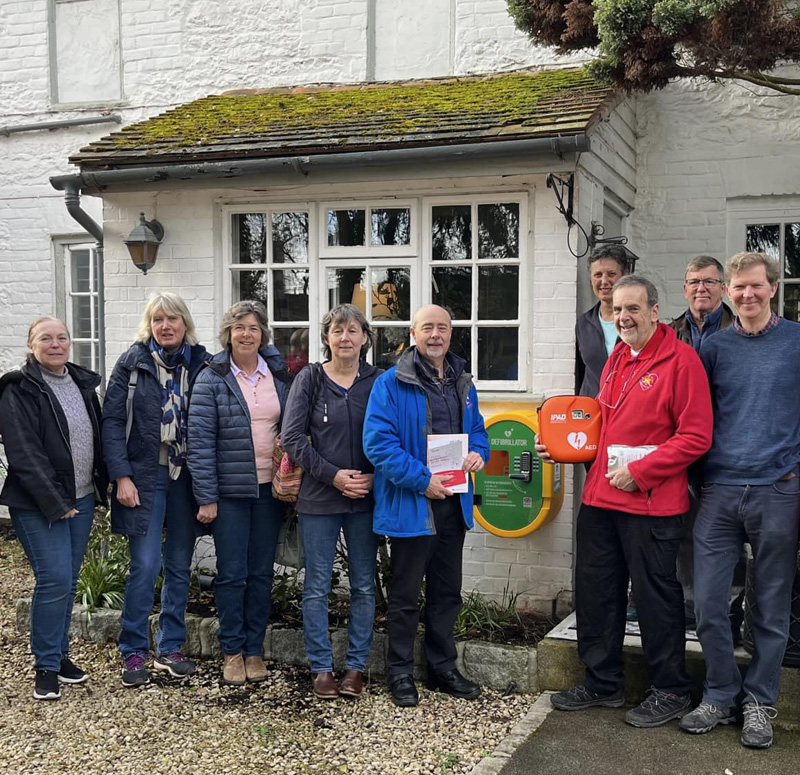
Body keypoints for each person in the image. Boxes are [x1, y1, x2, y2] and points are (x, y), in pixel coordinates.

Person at [539, 275, 713, 728]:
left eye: (633, 308)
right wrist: (562, 444)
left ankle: (671, 689)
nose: (624, 317)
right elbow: (600, 425)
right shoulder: (618, 355)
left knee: (655, 598)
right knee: (597, 593)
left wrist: (640, 472)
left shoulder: (682, 361)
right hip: (601, 496)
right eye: (618, 310)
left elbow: (696, 437)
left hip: (651, 503)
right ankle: (603, 682)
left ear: (655, 311)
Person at [679, 253, 800, 749]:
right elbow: (692, 414)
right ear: (728, 293)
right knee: (707, 603)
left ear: (773, 288)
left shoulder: (796, 342)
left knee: (770, 608)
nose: (746, 294)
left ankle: (759, 702)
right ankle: (721, 692)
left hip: (779, 488)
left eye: (755, 286)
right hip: (720, 490)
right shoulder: (715, 347)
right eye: (738, 287)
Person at [363, 304, 489, 708]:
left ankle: (442, 668)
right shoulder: (389, 383)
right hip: (413, 503)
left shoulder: (463, 381)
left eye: (443, 328)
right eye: (428, 328)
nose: (436, 335)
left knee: (446, 592)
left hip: (454, 504)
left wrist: (478, 456)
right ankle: (399, 672)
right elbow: (378, 445)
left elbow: (478, 433)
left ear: (451, 334)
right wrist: (422, 481)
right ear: (413, 333)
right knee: (404, 596)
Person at [103, 293, 208, 687]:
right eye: (158, 319)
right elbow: (112, 422)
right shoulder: (132, 363)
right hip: (143, 477)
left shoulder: (202, 363)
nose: (166, 326)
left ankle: (170, 647)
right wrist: (121, 477)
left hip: (187, 478)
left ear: (185, 323)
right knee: (145, 565)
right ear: (150, 324)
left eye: (173, 319)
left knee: (180, 565)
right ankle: (133, 650)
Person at [0, 317, 107, 700]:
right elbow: (23, 452)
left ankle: (59, 656)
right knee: (55, 579)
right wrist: (55, 502)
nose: (56, 343)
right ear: (32, 346)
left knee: (68, 581)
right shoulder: (19, 389)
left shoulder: (82, 383)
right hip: (38, 503)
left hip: (80, 497)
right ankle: (45, 665)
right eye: (46, 338)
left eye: (62, 337)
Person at [188, 300, 292, 685]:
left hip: (271, 491)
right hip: (229, 494)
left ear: (263, 334)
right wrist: (206, 496)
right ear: (228, 334)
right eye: (238, 327)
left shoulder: (278, 376)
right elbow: (199, 442)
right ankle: (232, 651)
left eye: (253, 327)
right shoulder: (212, 377)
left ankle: (254, 649)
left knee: (262, 573)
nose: (246, 334)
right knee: (232, 574)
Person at [281, 304, 382, 700]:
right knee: (317, 587)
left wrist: (377, 478)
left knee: (363, 587)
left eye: (353, 330)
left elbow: (395, 435)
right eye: (337, 331)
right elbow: (292, 438)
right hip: (320, 499)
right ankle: (321, 667)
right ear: (326, 338)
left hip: (366, 499)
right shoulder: (309, 379)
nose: (345, 338)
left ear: (364, 338)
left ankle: (356, 668)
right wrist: (334, 476)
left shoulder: (379, 381)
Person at [668, 255, 741, 634]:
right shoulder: (669, 331)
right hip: (680, 444)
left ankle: (728, 604)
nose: (701, 288)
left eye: (710, 282)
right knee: (684, 527)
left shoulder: (740, 328)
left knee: (727, 533)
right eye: (694, 281)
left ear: (723, 288)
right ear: (685, 289)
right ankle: (688, 601)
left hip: (725, 445)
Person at [575, 244, 630, 398]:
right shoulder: (583, 324)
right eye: (597, 275)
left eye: (611, 274)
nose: (604, 281)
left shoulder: (641, 322)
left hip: (629, 410)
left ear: (626, 274)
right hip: (591, 412)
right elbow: (579, 375)